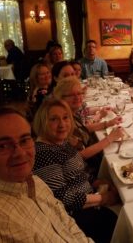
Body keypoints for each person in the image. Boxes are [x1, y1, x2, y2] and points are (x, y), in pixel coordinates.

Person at [0, 106, 92, 242]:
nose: (20, 153)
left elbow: (67, 225)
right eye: (3, 146)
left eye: (24, 140)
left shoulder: (34, 181)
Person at [32, 99, 118, 243]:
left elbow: (77, 172)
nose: (62, 124)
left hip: (90, 197)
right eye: (53, 119)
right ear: (42, 122)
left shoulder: (61, 142)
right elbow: (63, 198)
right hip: (76, 217)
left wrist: (95, 181)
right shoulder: (43, 152)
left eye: (65, 117)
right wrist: (103, 198)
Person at [53, 76, 122, 177]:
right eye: (71, 95)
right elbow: (81, 155)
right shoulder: (63, 120)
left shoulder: (71, 113)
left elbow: (82, 129)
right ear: (61, 98)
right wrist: (109, 138)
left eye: (79, 93)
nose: (77, 97)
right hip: (83, 172)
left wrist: (108, 123)